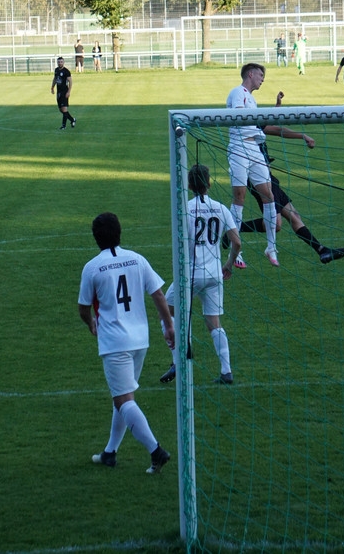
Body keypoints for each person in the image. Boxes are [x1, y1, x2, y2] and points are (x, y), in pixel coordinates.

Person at [77, 212, 175, 473]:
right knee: (122, 397)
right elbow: (158, 294)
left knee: (123, 400)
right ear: (120, 232)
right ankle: (110, 452)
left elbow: (83, 307)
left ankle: (156, 451)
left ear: (96, 237)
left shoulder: (92, 267)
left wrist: (91, 323)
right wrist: (168, 324)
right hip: (140, 340)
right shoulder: (137, 259)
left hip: (115, 343)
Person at [233, 90, 344, 266]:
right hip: (257, 178)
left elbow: (278, 129)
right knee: (277, 224)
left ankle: (322, 251)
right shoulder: (247, 128)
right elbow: (272, 126)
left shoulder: (257, 126)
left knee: (294, 216)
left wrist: (301, 135)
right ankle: (232, 229)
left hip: (268, 176)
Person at [159, 164, 241, 385]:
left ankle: (178, 360)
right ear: (209, 183)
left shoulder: (184, 209)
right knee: (214, 321)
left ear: (188, 184)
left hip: (190, 275)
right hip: (214, 274)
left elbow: (180, 245)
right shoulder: (221, 208)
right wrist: (229, 264)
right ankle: (226, 371)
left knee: (168, 311)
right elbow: (237, 242)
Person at [226, 63, 278, 267]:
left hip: (254, 149)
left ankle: (271, 247)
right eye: (261, 75)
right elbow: (241, 117)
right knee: (239, 197)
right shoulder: (238, 92)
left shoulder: (253, 99)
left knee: (269, 195)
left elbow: (256, 123)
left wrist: (274, 110)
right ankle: (235, 251)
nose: (263, 79)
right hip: (239, 147)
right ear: (250, 74)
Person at [51, 56, 76, 130]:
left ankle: (63, 126)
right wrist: (52, 87)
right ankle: (72, 120)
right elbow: (55, 79)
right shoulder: (56, 70)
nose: (60, 63)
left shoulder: (66, 71)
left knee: (64, 109)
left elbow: (70, 81)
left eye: (61, 62)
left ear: (63, 62)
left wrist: (69, 92)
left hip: (65, 92)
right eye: (59, 62)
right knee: (61, 110)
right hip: (59, 93)